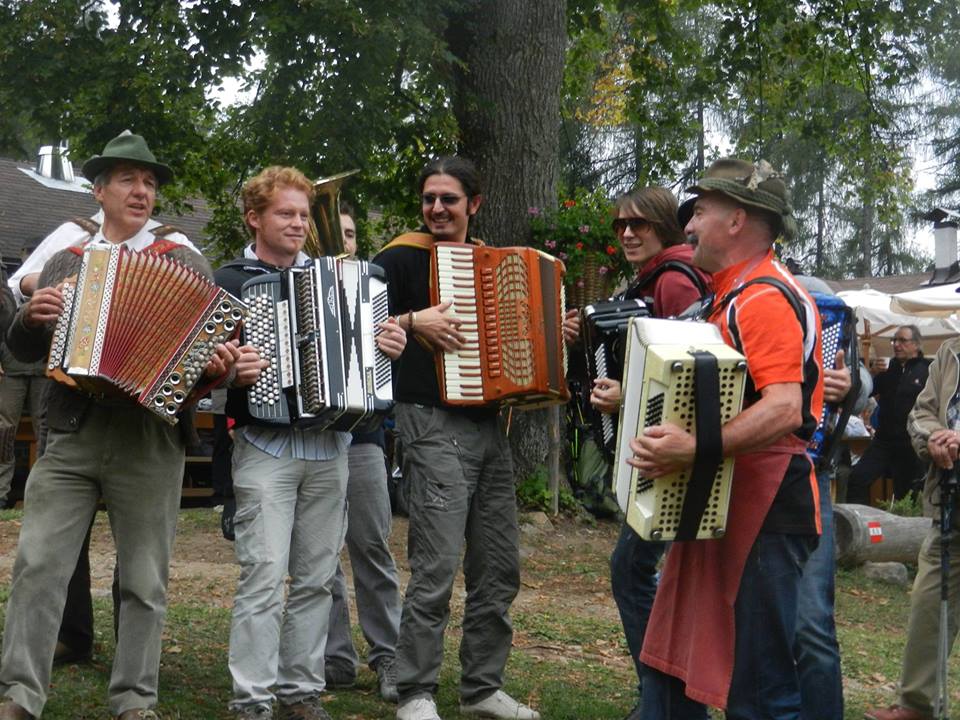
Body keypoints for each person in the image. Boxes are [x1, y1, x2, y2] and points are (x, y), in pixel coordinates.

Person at [0, 131, 257, 720]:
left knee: (144, 578)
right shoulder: (67, 258)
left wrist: (213, 369)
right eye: (127, 180)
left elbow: (202, 363)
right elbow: (20, 349)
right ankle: (19, 696)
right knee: (39, 564)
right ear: (99, 190)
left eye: (149, 183)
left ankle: (135, 700)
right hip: (72, 430)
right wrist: (32, 319)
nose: (142, 191)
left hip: (149, 437)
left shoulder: (183, 259)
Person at [630, 158, 823, 719]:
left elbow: (785, 407)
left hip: (765, 505)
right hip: (735, 496)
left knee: (760, 685)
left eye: (702, 211)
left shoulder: (762, 297)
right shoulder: (734, 292)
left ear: (737, 220)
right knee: (698, 660)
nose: (688, 225)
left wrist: (693, 449)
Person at [216, 166, 406, 720]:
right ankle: (251, 699)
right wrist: (230, 370)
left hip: (332, 448)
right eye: (285, 213)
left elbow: (367, 360)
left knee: (318, 578)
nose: (299, 223)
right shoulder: (229, 280)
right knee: (264, 574)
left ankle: (301, 693)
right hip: (263, 445)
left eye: (303, 214)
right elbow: (197, 365)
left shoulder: (346, 279)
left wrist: (388, 344)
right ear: (255, 218)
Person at [373, 156, 540, 720]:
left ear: (475, 203)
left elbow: (518, 335)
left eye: (448, 199)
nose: (437, 209)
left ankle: (481, 688)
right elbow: (357, 326)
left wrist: (552, 331)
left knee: (498, 567)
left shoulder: (491, 262)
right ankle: (416, 691)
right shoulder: (397, 258)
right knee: (437, 565)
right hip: (429, 421)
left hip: (492, 426)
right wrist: (414, 322)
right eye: (429, 199)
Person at [562, 187, 710, 720]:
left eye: (640, 225)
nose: (627, 233)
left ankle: (667, 703)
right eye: (621, 224)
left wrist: (628, 394)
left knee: (632, 571)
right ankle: (663, 700)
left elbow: (692, 371)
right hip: (663, 455)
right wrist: (584, 335)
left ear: (665, 228)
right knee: (645, 575)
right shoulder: (650, 281)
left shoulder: (674, 280)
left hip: (675, 458)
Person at [324, 203, 402, 702]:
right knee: (319, 555)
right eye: (336, 233)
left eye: (350, 234)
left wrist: (392, 342)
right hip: (307, 440)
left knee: (372, 546)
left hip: (364, 436)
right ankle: (334, 656)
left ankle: (388, 655)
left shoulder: (372, 290)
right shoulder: (292, 283)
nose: (344, 242)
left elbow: (390, 363)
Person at [788, 265, 873, 720]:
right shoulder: (718, 290)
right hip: (737, 474)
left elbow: (858, 376)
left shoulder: (812, 292)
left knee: (810, 619)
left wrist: (849, 384)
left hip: (807, 469)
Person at [865, 333, 960, 720]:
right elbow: (922, 413)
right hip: (950, 503)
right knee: (928, 603)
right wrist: (934, 438)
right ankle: (918, 705)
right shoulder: (951, 354)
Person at [846, 325, 930, 505]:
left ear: (916, 345)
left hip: (911, 442)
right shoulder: (887, 369)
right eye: (894, 340)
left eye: (902, 340)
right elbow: (864, 393)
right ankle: (860, 525)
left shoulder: (927, 370)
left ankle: (906, 530)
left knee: (906, 494)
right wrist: (871, 373)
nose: (896, 345)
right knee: (857, 479)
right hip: (883, 440)